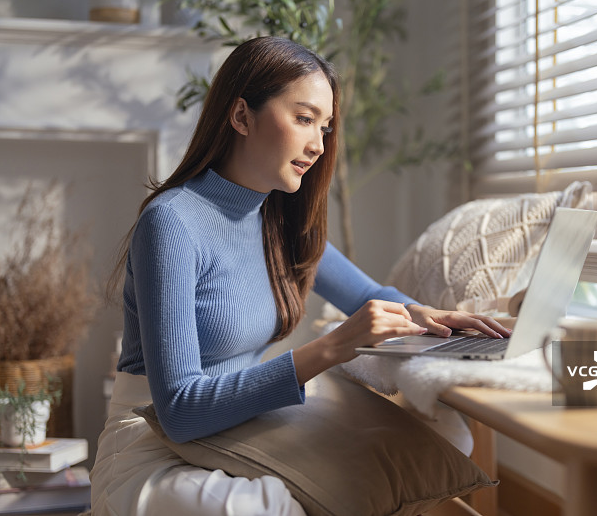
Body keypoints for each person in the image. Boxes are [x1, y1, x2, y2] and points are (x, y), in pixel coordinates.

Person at [90, 36, 510, 516]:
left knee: (443, 436)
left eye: (326, 127)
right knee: (267, 508)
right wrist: (332, 348)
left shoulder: (278, 219)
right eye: (304, 118)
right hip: (155, 440)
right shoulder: (172, 222)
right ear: (242, 116)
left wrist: (429, 316)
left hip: (244, 425)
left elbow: (367, 294)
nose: (317, 145)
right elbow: (181, 411)